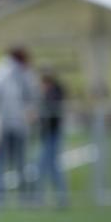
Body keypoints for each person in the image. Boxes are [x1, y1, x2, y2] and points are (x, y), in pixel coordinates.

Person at [0, 46, 39, 208]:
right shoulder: (13, 73)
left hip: (11, 125)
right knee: (14, 163)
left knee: (8, 163)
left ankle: (4, 200)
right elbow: (31, 97)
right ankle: (17, 199)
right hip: (11, 125)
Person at [34, 68, 69, 208]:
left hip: (52, 135)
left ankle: (43, 198)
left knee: (46, 167)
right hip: (50, 134)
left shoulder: (53, 92)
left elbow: (50, 112)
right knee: (51, 167)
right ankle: (60, 198)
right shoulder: (54, 91)